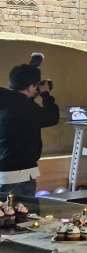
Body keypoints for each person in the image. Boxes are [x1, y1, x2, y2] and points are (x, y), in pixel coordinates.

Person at [0, 64, 59, 196]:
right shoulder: (25, 108)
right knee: (19, 209)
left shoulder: (5, 100)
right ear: (30, 87)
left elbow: (22, 104)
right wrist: (46, 94)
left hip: (4, 171)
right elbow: (52, 117)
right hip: (19, 175)